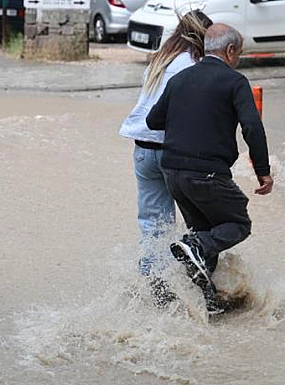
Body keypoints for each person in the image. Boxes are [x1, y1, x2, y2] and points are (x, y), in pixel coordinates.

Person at [146, 23, 274, 315]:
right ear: (230, 51)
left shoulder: (180, 80)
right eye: (238, 53)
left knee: (204, 233)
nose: (238, 59)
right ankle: (197, 245)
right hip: (206, 174)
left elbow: (154, 120)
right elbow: (252, 126)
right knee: (238, 223)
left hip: (173, 172)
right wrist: (263, 171)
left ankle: (208, 302)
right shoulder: (235, 81)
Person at [119, 11, 213, 294]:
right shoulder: (193, 65)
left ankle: (154, 283)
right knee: (202, 219)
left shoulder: (158, 60)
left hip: (143, 150)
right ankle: (201, 279)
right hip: (174, 152)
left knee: (153, 222)